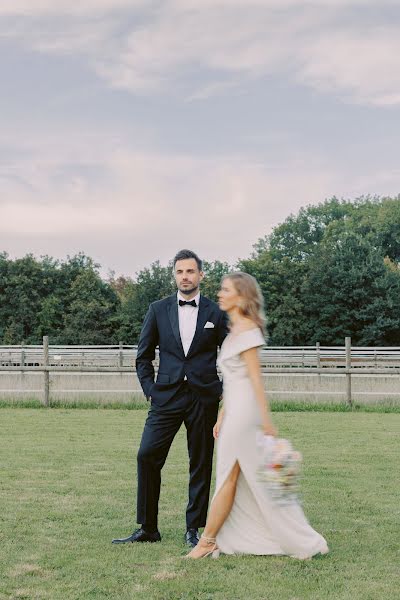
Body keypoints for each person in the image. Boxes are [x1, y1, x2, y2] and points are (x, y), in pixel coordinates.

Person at [186, 272, 329, 559]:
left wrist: (266, 422)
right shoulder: (234, 331)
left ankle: (207, 541)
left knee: (227, 475)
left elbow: (255, 381)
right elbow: (232, 380)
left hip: (246, 415)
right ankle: (234, 537)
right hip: (234, 413)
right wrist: (222, 415)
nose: (221, 294)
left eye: (227, 290)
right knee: (238, 479)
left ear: (241, 295)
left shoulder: (249, 330)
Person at [112, 249, 229, 547]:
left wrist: (224, 392)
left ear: (201, 275)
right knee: (147, 455)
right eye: (180, 272)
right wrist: (151, 390)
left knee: (200, 462)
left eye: (190, 271)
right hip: (165, 397)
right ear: (174, 275)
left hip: (204, 398)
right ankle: (148, 527)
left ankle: (194, 528)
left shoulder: (216, 314)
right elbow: (143, 357)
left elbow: (232, 359)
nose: (185, 277)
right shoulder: (158, 309)